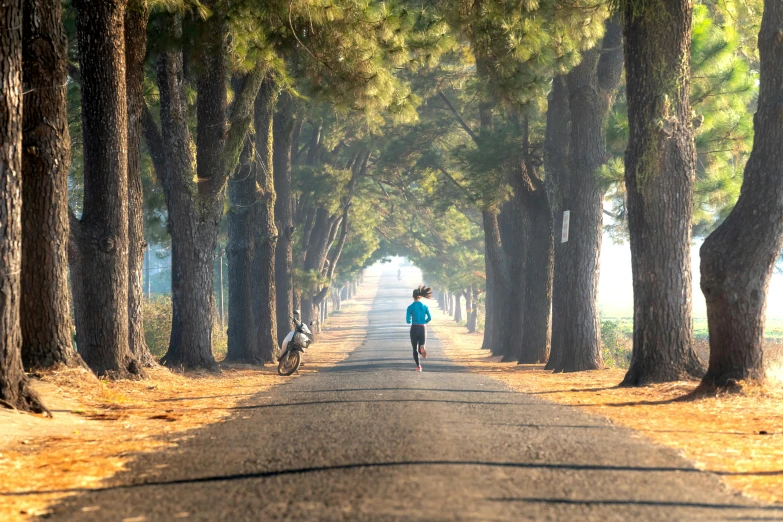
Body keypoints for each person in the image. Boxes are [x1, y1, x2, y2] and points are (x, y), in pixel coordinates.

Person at [406, 285, 432, 372]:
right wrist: (424, 322)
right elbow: (429, 318)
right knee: (421, 346)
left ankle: (418, 366)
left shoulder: (410, 307)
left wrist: (410, 320)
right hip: (422, 328)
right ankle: (422, 347)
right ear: (420, 296)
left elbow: (407, 320)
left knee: (414, 349)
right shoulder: (424, 306)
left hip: (414, 328)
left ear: (413, 296)